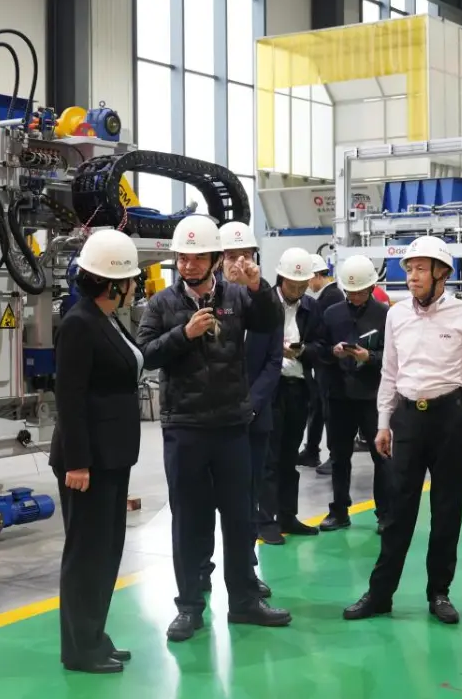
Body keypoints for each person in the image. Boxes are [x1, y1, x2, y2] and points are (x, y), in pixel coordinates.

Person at [136, 215, 292, 642]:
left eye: (197, 258)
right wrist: (184, 334)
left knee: (240, 519)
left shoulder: (237, 297)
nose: (188, 265)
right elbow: (146, 355)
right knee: (189, 521)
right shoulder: (162, 304)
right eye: (182, 258)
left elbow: (269, 322)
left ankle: (244, 602)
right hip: (184, 427)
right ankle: (189, 608)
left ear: (213, 259)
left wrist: (259, 286)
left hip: (230, 427)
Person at [343, 235, 462, 625]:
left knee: (446, 510)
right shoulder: (396, 315)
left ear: (443, 273)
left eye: (421, 269)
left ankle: (439, 592)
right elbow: (390, 372)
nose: (412, 276)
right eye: (409, 269)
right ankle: (380, 594)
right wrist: (383, 423)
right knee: (397, 510)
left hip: (450, 420)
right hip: (407, 418)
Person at [50, 229, 145, 674]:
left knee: (106, 552)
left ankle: (94, 636)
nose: (135, 285)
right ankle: (79, 649)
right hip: (88, 462)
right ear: (113, 283)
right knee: (86, 555)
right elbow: (69, 396)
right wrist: (78, 462)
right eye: (131, 280)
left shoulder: (106, 319)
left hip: (113, 456)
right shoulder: (79, 323)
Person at [197, 221, 279, 598]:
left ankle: (246, 569)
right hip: (211, 420)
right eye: (231, 255)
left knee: (247, 501)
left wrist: (251, 405)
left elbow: (273, 362)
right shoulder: (204, 299)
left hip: (253, 420)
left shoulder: (266, 300)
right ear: (218, 260)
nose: (238, 262)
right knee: (203, 501)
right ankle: (201, 571)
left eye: (245, 254)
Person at [309, 254, 392, 534]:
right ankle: (339, 511)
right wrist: (332, 352)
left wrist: (370, 357)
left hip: (372, 397)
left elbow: (393, 356)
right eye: (350, 292)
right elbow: (318, 348)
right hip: (339, 396)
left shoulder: (384, 315)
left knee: (381, 456)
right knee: (339, 456)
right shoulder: (331, 314)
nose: (354, 297)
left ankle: (385, 513)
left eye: (360, 292)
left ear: (371, 288)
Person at [259, 248, 322, 544]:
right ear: (280, 278)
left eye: (302, 286)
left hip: (298, 389)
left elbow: (322, 347)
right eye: (292, 285)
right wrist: (276, 351)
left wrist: (303, 351)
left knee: (288, 458)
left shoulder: (311, 308)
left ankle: (287, 515)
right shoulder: (264, 303)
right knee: (268, 458)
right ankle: (265, 520)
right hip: (270, 390)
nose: (297, 291)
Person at [299, 253, 342, 473]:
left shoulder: (330, 298)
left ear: (317, 275)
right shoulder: (329, 296)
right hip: (324, 363)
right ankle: (312, 450)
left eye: (308, 278)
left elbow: (321, 331)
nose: (307, 284)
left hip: (329, 364)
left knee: (329, 411)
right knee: (318, 407)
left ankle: (335, 457)